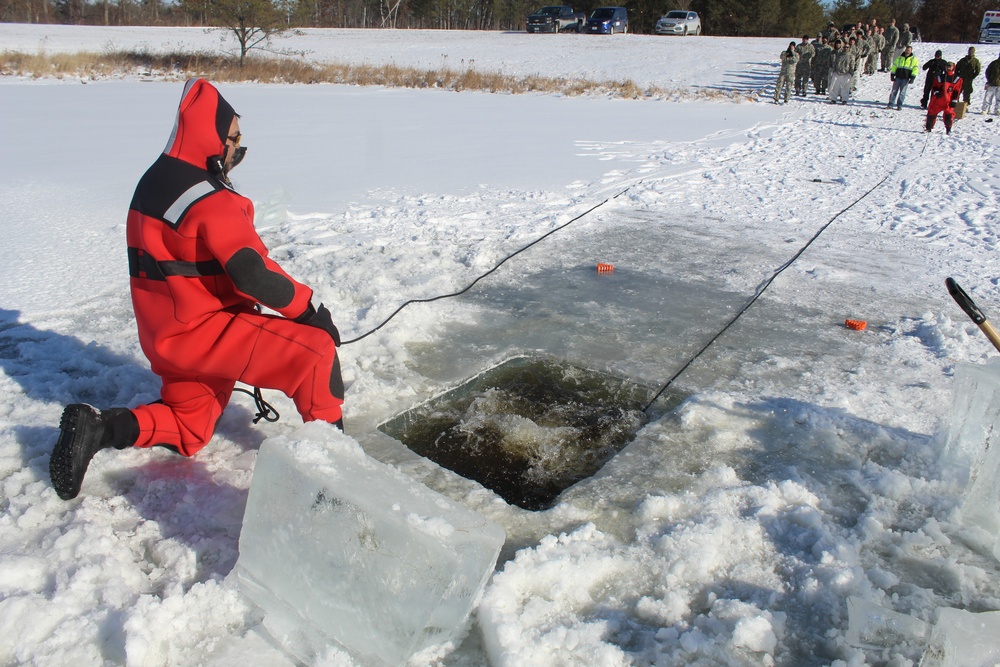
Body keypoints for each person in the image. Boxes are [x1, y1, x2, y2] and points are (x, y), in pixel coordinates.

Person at [49, 78, 346, 501]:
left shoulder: (153, 182)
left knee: (189, 426)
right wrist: (310, 312)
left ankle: (99, 428)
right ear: (211, 136)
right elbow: (252, 273)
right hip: (207, 332)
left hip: (166, 337)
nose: (238, 148)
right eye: (233, 137)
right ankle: (337, 474)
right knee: (315, 353)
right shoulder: (211, 199)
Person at [926, 62, 964, 134]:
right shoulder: (939, 77)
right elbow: (934, 86)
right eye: (947, 66)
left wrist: (954, 100)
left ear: (953, 67)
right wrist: (936, 92)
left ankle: (948, 129)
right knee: (931, 113)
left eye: (950, 66)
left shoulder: (957, 79)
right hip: (937, 100)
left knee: (948, 115)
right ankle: (928, 128)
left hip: (948, 100)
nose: (948, 68)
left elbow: (957, 91)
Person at [887, 44, 919, 110]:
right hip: (898, 77)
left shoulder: (914, 59)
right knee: (894, 91)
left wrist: (912, 77)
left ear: (911, 51)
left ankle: (899, 105)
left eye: (909, 50)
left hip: (906, 78)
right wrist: (892, 74)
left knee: (902, 93)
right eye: (907, 50)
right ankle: (890, 104)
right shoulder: (899, 58)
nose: (908, 51)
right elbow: (894, 66)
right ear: (905, 50)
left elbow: (915, 69)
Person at [829, 38, 854, 104]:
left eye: (847, 47)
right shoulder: (839, 54)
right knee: (834, 86)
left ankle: (844, 99)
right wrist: (834, 71)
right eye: (845, 47)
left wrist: (851, 73)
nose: (846, 48)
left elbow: (852, 65)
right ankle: (833, 99)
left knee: (845, 87)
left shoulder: (851, 56)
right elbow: (836, 62)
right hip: (838, 72)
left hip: (846, 73)